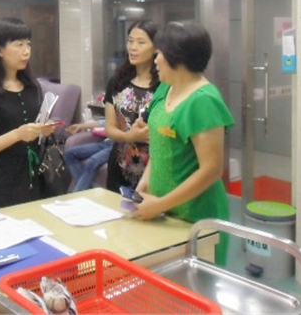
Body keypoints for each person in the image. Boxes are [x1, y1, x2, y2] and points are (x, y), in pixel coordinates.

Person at [133, 21, 234, 265]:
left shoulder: (203, 101)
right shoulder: (164, 89)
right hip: (164, 212)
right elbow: (158, 144)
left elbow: (211, 170)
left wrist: (160, 204)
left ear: (177, 57)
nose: (155, 60)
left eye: (159, 53)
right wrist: (144, 184)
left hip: (196, 218)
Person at [0, 17, 56, 209]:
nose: (26, 51)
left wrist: (43, 130)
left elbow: (34, 130)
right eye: (19, 45)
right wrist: (17, 134)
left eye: (28, 44)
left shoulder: (32, 87)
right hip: (0, 181)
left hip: (33, 176)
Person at [102, 19, 161, 194]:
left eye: (141, 42)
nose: (133, 47)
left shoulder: (163, 85)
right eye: (130, 41)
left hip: (154, 169)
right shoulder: (118, 82)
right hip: (120, 166)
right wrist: (129, 136)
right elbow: (110, 128)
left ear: (156, 48)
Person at [63, 119, 112, 192]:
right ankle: (85, 192)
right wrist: (80, 126)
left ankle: (78, 195)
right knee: (69, 154)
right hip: (107, 142)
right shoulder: (117, 114)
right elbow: (103, 122)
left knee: (92, 162)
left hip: (118, 146)